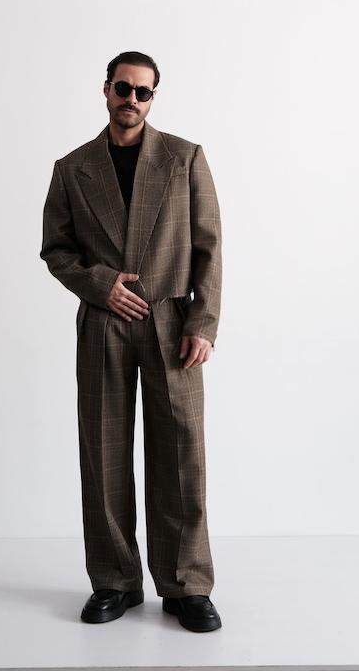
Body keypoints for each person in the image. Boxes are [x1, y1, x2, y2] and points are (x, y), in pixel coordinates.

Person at [40, 50, 223, 633]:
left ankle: (186, 584)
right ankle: (114, 580)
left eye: (144, 92)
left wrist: (203, 322)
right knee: (104, 452)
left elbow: (209, 246)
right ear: (106, 90)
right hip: (104, 322)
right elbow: (56, 250)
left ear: (153, 97)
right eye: (124, 88)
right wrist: (100, 284)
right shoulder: (73, 168)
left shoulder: (184, 158)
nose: (132, 100)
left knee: (182, 452)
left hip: (171, 320)